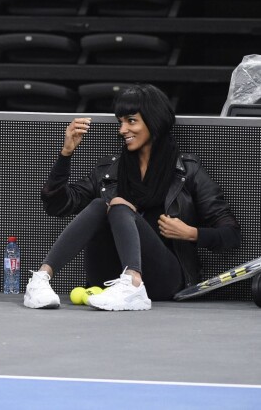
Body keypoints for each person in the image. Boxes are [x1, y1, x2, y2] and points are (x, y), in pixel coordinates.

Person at [24, 83, 241, 311]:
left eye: (131, 121)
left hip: (164, 280)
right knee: (101, 205)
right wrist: (66, 153)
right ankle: (41, 279)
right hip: (109, 282)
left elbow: (231, 234)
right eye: (121, 122)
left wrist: (191, 233)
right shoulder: (109, 171)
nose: (122, 130)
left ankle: (133, 283)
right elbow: (58, 205)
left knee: (117, 206)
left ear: (154, 120)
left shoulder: (187, 171)